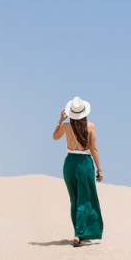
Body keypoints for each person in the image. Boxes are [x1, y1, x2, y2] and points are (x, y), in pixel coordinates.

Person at [52, 96, 103, 247]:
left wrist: (60, 120)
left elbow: (55, 137)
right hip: (84, 164)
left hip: (69, 164)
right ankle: (79, 234)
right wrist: (99, 169)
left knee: (74, 199)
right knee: (85, 199)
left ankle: (78, 232)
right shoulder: (91, 127)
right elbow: (93, 149)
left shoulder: (66, 127)